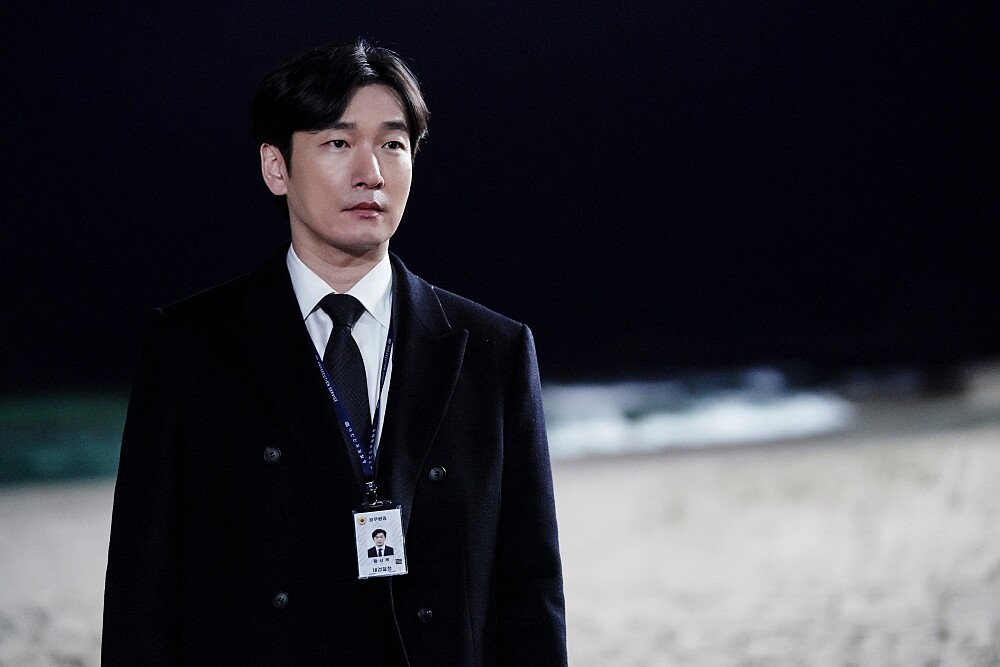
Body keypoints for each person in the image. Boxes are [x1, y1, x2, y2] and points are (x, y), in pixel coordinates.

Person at [102, 38, 566, 665]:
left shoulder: (492, 351)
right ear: (276, 167)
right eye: (338, 143)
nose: (371, 172)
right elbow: (141, 593)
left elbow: (531, 594)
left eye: (393, 144)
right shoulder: (191, 348)